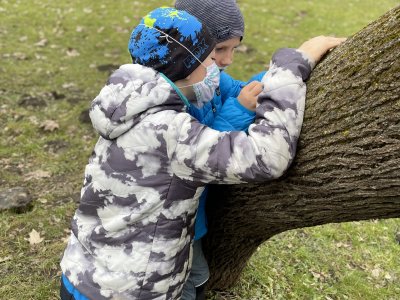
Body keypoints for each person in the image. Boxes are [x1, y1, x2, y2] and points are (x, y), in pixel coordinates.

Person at [59, 6, 343, 300]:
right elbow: (268, 157)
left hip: (82, 276)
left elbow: (236, 88)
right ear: (187, 64)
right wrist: (291, 67)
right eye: (210, 58)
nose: (218, 66)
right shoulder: (170, 132)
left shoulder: (131, 103)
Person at [174, 1, 346, 299]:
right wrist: (239, 109)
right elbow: (204, 153)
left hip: (193, 218)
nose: (227, 60)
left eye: (234, 49)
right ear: (188, 47)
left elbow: (246, 88)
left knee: (197, 277)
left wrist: (285, 70)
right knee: (187, 282)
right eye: (219, 50)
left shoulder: (210, 79)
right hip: (176, 224)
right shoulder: (176, 99)